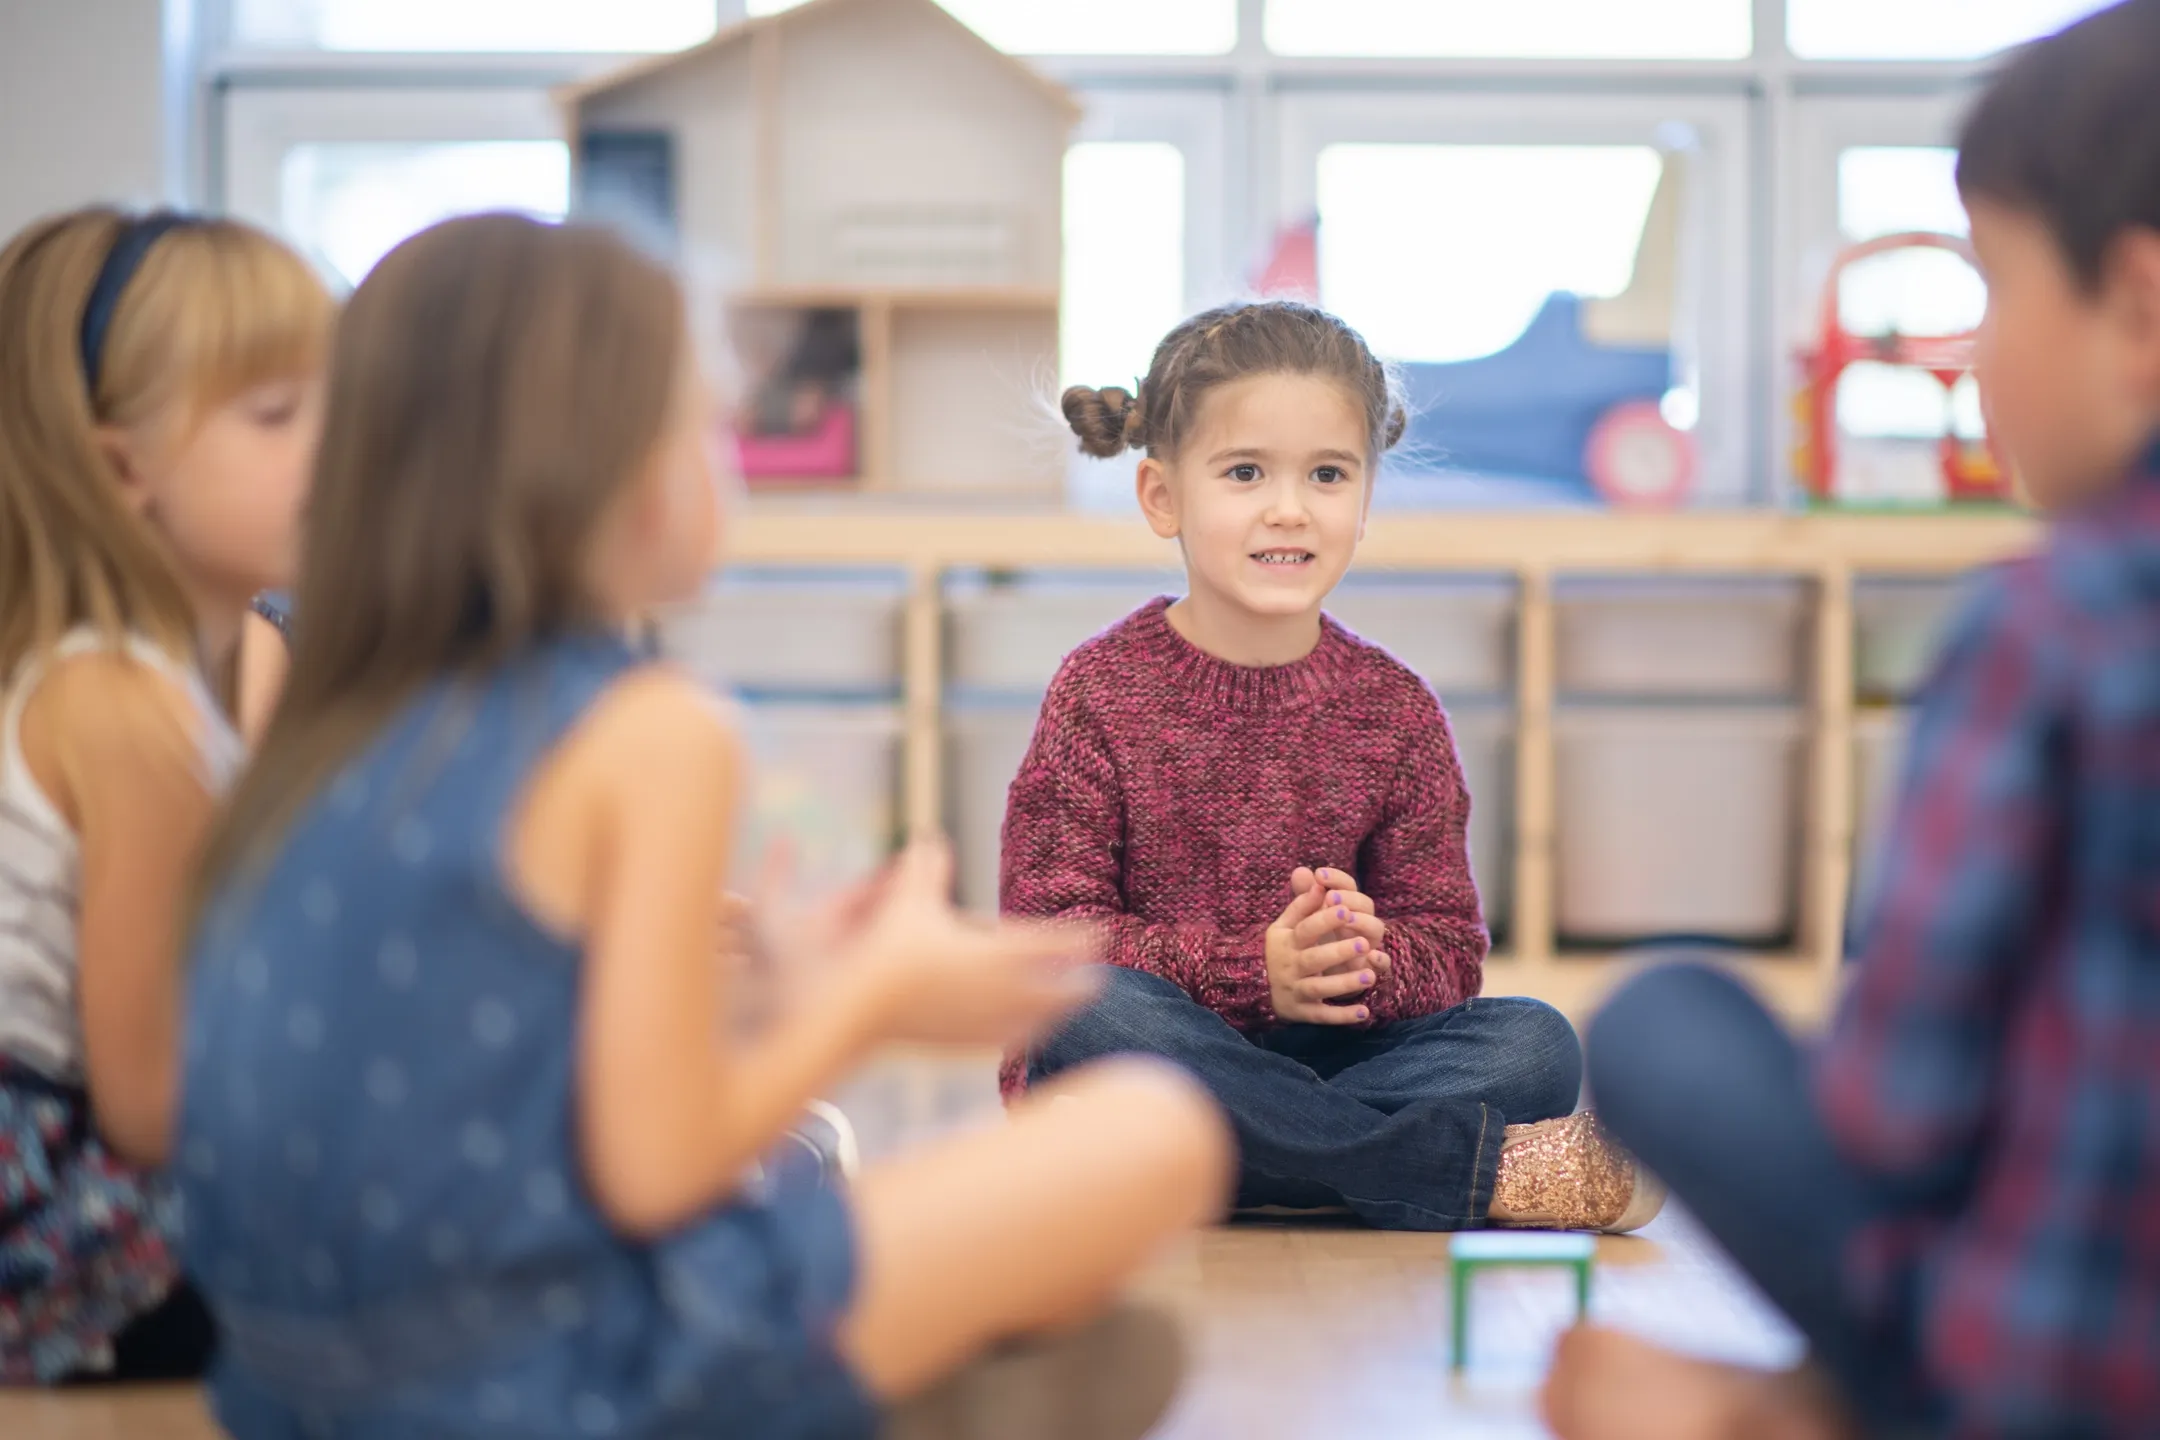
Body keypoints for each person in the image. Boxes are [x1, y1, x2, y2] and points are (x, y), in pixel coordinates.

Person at [176, 213, 1230, 1440]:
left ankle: (930, 1386)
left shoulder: (323, 713)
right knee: (1154, 1131)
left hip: (286, 1387)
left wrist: (776, 991)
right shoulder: (650, 730)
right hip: (543, 1380)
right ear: (606, 472)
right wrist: (869, 999)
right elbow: (656, 1165)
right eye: (712, 427)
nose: (726, 464)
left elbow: (466, 1066)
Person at [1543, 4, 2160, 1435]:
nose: (1981, 353)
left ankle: (1814, 1413)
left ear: (2139, 307)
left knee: (1658, 1021)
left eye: (1997, 288)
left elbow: (1893, 1111)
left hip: (2050, 1369)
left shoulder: (2056, 620)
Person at [1008, 300, 1662, 1234]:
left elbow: (1448, 952)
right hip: (1154, 1045)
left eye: (1327, 474)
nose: (1289, 508)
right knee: (1083, 1005)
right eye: (1244, 473)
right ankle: (1450, 1171)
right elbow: (1047, 943)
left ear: (1365, 496)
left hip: (1331, 1062)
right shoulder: (1096, 691)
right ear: (1163, 496)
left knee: (1534, 1045)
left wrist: (1367, 956)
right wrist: (1248, 973)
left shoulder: (1395, 711)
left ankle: (1204, 1162)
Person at [0, 207, 332, 1382]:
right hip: (48, 1218)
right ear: (123, 468)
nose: (336, 448)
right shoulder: (130, 714)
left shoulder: (159, 689)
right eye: (278, 415)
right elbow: (152, 1109)